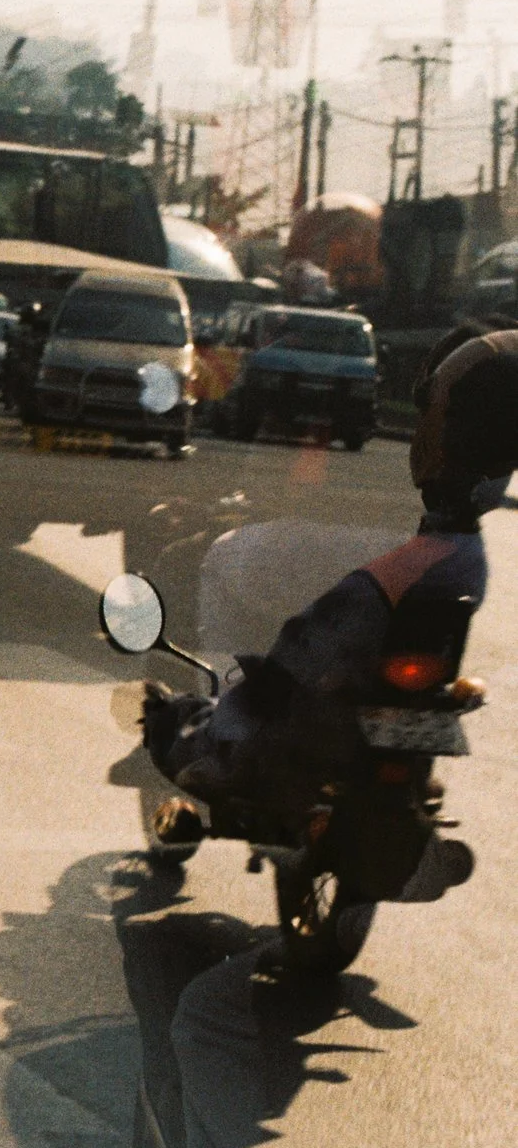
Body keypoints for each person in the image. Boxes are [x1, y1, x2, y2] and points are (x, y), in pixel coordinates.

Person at [146, 329, 518, 821]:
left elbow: (309, 639)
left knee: (240, 584)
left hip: (347, 631)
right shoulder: (463, 544)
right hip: (432, 588)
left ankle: (227, 737)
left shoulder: (397, 529)